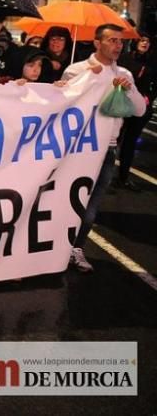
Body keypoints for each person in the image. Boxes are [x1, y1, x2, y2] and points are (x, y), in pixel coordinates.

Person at [62, 24, 147, 272]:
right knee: (66, 200)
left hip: (107, 149)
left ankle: (76, 248)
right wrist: (85, 79)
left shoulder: (124, 74)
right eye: (112, 40)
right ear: (97, 43)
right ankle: (55, 248)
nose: (118, 46)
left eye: (121, 42)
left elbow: (139, 110)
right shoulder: (77, 70)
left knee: (92, 204)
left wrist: (129, 89)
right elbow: (62, 104)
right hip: (78, 149)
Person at [115, 33, 154, 190]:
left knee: (130, 144)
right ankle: (103, 175)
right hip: (121, 104)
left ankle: (123, 178)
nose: (145, 43)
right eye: (143, 40)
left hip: (140, 108)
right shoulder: (124, 58)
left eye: (148, 41)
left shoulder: (152, 62)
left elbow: (155, 84)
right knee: (114, 141)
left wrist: (148, 98)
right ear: (136, 41)